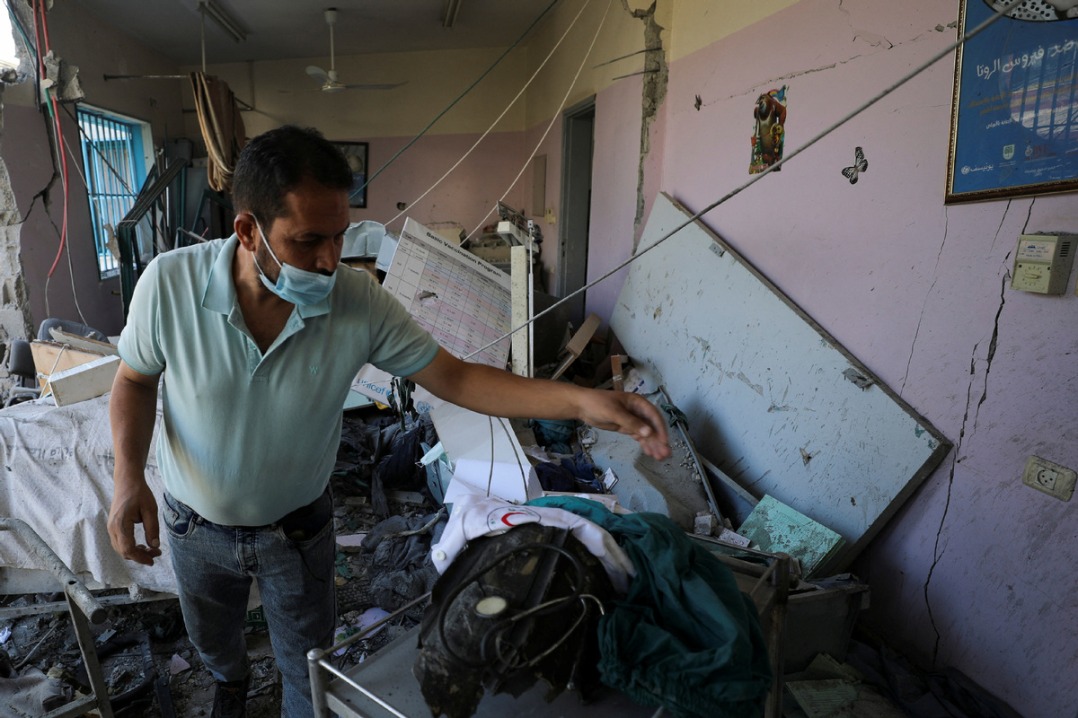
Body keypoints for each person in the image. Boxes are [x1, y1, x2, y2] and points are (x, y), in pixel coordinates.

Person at [107, 125, 670, 718]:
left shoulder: (356, 301)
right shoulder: (169, 285)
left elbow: (457, 379)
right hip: (195, 526)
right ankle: (230, 683)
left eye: (338, 236)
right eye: (308, 240)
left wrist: (581, 402)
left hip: (295, 532)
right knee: (213, 639)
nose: (329, 260)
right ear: (248, 231)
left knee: (307, 666)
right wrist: (127, 479)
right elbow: (134, 382)